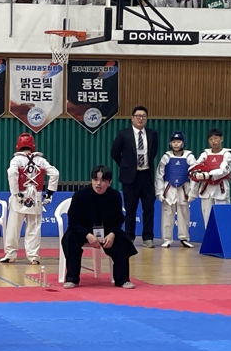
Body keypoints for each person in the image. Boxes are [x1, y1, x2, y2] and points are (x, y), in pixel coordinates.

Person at [62, 165, 138, 289]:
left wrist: (112, 234)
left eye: (103, 180)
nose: (98, 183)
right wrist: (88, 235)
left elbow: (118, 220)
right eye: (95, 179)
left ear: (109, 182)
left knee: (123, 241)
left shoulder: (115, 196)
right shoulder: (80, 195)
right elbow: (73, 221)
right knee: (70, 239)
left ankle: (122, 279)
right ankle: (72, 279)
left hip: (107, 232)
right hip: (83, 231)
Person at [1, 133, 60, 265]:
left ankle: (11, 254)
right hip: (35, 196)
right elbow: (55, 173)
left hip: (20, 196)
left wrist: (15, 192)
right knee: (34, 228)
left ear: (18, 146)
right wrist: (49, 192)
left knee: (13, 227)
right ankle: (33, 256)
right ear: (33, 146)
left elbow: (12, 173)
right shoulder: (41, 160)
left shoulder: (16, 160)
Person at [111, 106, 159, 248]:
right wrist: (125, 165)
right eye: (138, 116)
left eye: (143, 116)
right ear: (132, 118)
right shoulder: (123, 134)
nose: (141, 118)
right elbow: (115, 152)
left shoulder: (152, 134)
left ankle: (148, 237)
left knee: (149, 208)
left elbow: (153, 153)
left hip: (147, 175)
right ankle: (129, 237)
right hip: (130, 177)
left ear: (147, 119)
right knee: (130, 209)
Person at [155, 131, 197, 248]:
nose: (176, 144)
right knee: (167, 214)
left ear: (183, 143)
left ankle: (184, 238)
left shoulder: (189, 157)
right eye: (174, 142)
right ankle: (167, 239)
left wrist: (192, 192)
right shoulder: (166, 157)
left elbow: (194, 175)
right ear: (170, 143)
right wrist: (159, 191)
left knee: (184, 214)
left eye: (178, 141)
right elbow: (159, 175)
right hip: (169, 189)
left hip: (184, 189)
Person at [189, 128, 231, 228]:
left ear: (221, 139)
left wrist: (206, 175)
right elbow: (194, 167)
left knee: (223, 217)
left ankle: (223, 237)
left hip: (221, 188)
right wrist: (195, 173)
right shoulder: (205, 154)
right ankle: (209, 236)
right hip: (207, 189)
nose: (213, 141)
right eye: (211, 139)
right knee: (207, 217)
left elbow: (223, 170)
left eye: (216, 138)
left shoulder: (227, 154)